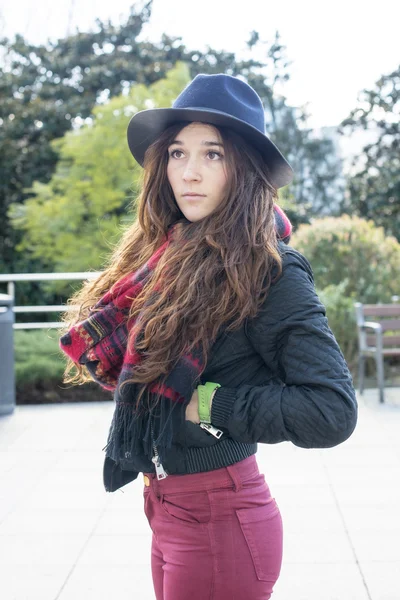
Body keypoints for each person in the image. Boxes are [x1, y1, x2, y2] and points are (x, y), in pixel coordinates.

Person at [59, 73, 357, 600]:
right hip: (166, 507)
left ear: (244, 169)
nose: (189, 172)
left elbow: (331, 409)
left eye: (212, 154)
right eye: (177, 153)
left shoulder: (270, 270)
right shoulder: (167, 258)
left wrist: (209, 403)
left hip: (219, 517)